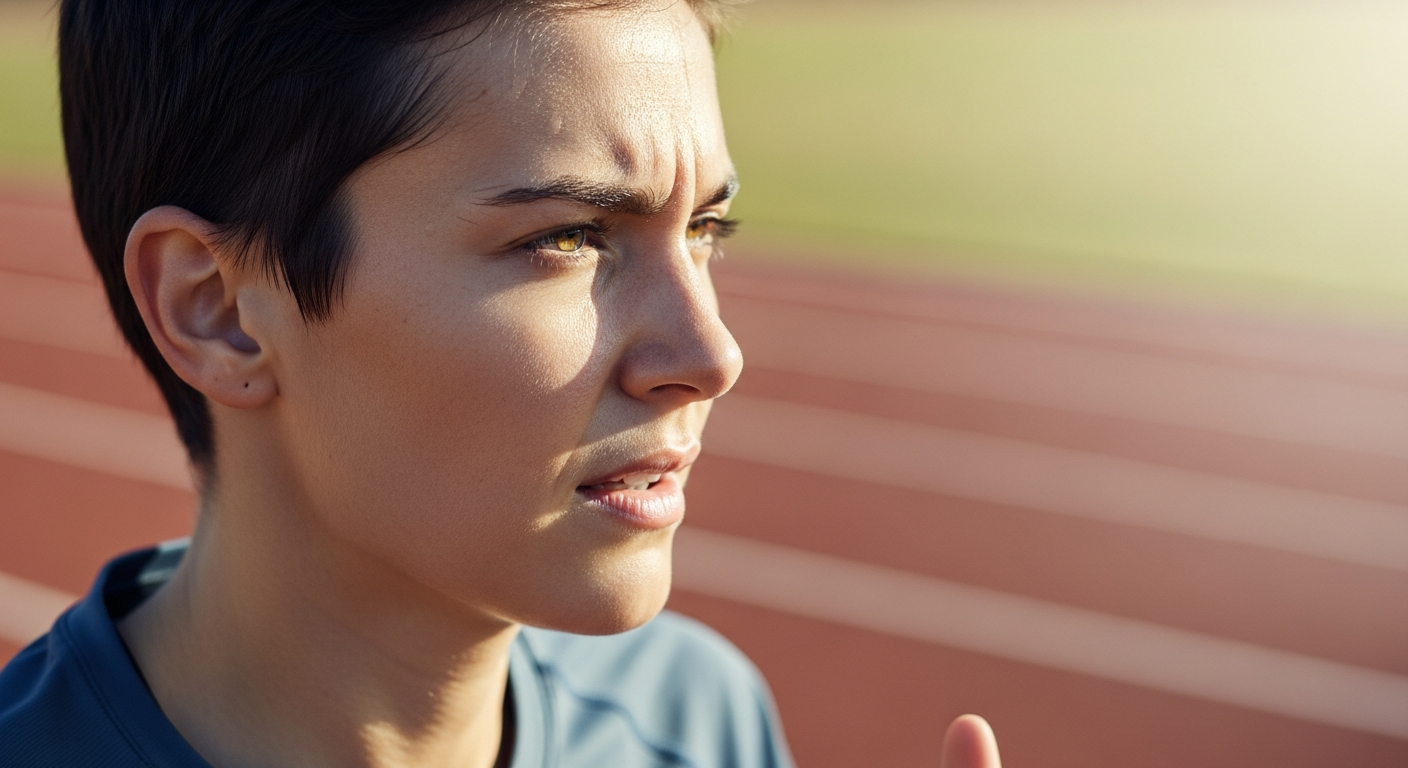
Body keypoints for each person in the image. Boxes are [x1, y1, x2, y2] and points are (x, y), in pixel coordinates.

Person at [0, 1, 1002, 765]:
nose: (709, 355)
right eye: (565, 238)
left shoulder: (695, 720)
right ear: (216, 307)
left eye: (706, 229)